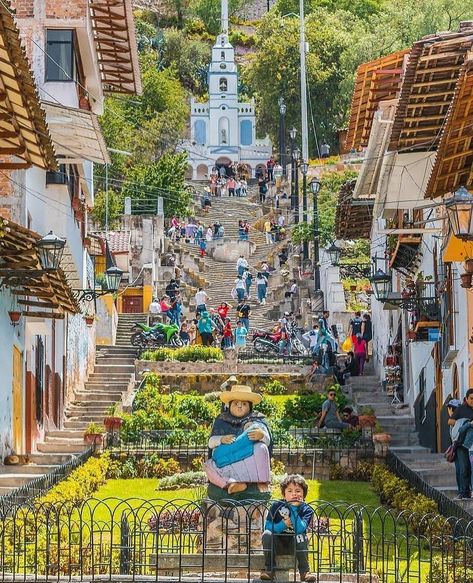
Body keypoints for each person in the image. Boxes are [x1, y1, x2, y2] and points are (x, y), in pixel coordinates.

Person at [204, 385, 271, 496]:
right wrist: (221, 439)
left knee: (261, 447)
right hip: (226, 464)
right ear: (230, 405)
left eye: (244, 404)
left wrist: (261, 435)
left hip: (249, 463)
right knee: (208, 466)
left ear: (250, 406)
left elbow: (267, 442)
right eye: (236, 403)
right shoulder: (221, 420)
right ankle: (231, 484)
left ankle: (262, 481)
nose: (239, 406)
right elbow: (211, 442)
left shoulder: (256, 421)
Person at [261, 474, 316, 582]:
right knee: (267, 534)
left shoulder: (306, 509)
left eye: (298, 491)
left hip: (295, 546)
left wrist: (293, 508)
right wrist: (283, 525)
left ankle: (304, 572)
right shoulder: (277, 506)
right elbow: (267, 526)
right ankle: (269, 570)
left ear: (304, 494)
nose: (294, 494)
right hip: (277, 544)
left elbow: (300, 529)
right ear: (284, 494)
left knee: (301, 536)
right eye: (290, 491)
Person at [451, 390, 473, 499]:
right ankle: (463, 492)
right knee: (463, 468)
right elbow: (450, 421)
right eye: (471, 399)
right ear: (466, 399)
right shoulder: (461, 409)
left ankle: (468, 491)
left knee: (470, 468)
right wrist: (464, 423)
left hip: (471, 444)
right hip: (461, 443)